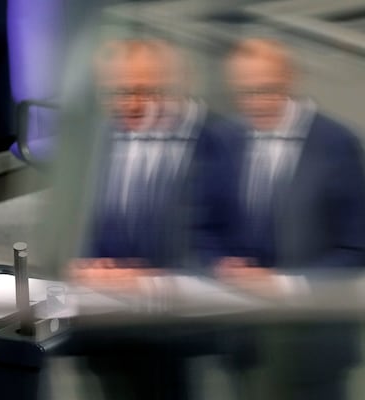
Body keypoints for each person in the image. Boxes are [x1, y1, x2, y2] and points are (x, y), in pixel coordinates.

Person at [69, 37, 243, 400]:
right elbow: (88, 217)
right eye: (116, 93)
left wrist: (151, 282)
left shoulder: (225, 145)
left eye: (143, 92)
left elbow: (240, 247)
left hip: (188, 342)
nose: (128, 105)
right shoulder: (102, 135)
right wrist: (86, 264)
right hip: (108, 331)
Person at [214, 37, 365, 400]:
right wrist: (220, 263)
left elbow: (356, 247)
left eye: (266, 91)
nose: (256, 104)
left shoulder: (337, 143)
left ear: (291, 80)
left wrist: (284, 285)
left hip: (314, 347)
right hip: (244, 345)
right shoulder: (227, 139)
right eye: (245, 93)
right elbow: (209, 225)